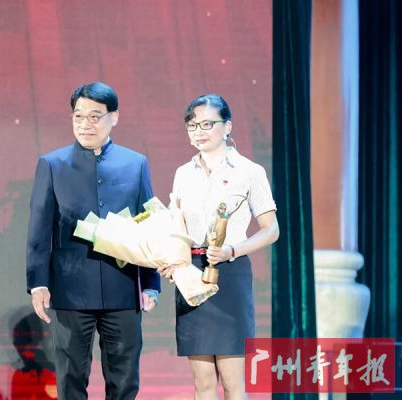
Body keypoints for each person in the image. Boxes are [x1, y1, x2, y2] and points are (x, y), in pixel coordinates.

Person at [26, 82, 160, 400]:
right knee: (71, 379)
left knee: (125, 381)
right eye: (79, 116)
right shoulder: (53, 164)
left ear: (114, 117)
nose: (85, 124)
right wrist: (38, 283)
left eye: (95, 116)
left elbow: (149, 224)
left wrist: (150, 283)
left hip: (122, 287)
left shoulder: (135, 163)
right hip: (70, 291)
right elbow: (39, 229)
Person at [158, 94, 279, 400]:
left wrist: (232, 250)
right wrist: (173, 261)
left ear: (227, 126)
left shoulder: (249, 171)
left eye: (207, 124)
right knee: (202, 383)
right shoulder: (183, 173)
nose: (198, 131)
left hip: (230, 273)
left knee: (233, 382)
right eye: (192, 125)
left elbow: (271, 230)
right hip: (191, 276)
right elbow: (176, 225)